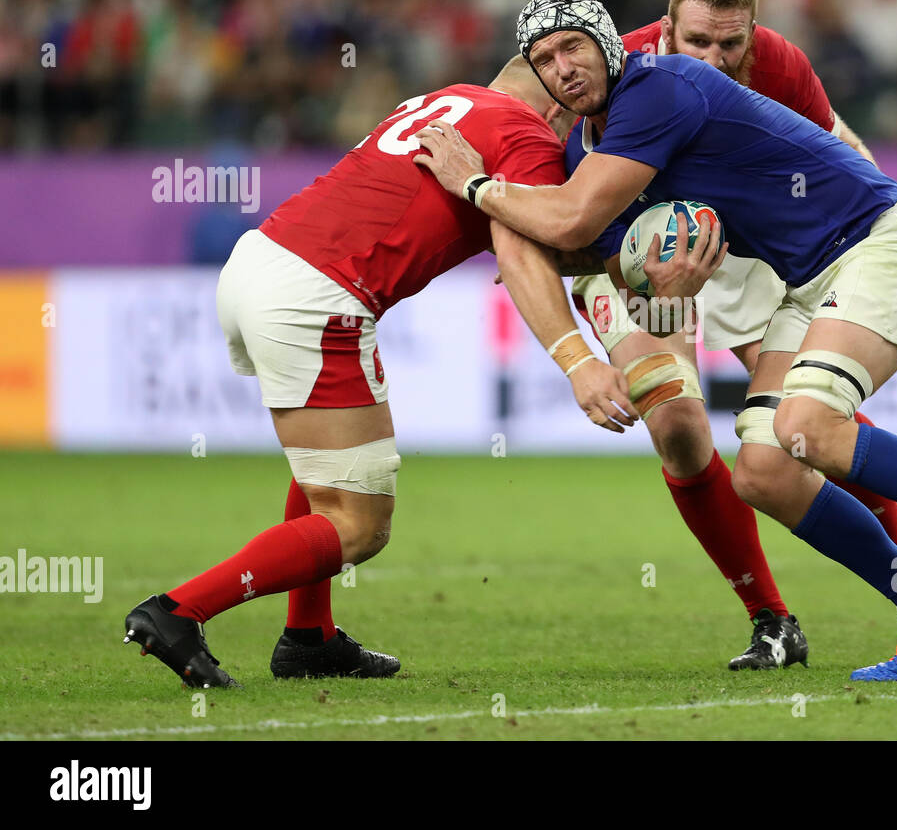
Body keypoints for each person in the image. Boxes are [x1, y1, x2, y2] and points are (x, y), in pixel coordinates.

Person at [413, 0, 897, 680]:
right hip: (806, 278)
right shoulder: (587, 149)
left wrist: (477, 186)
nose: (563, 67)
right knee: (765, 470)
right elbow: (591, 248)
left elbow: (570, 219)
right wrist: (643, 277)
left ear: (611, 40)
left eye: (573, 46)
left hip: (876, 243)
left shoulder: (661, 87)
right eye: (545, 58)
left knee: (808, 421)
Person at [123, 56, 638, 688]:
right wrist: (597, 324)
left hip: (260, 259)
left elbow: (516, 231)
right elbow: (539, 235)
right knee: (359, 524)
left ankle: (309, 637)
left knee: (323, 475)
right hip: (318, 296)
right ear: (557, 107)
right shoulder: (528, 132)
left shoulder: (450, 99)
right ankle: (177, 612)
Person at [567, 0, 897, 670]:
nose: (717, 60)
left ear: (752, 34)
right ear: (665, 31)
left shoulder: (782, 64)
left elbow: (828, 169)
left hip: (735, 241)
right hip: (628, 246)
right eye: (698, 43)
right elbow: (563, 163)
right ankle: (772, 621)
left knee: (805, 418)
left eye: (732, 45)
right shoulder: (615, 65)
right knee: (675, 422)